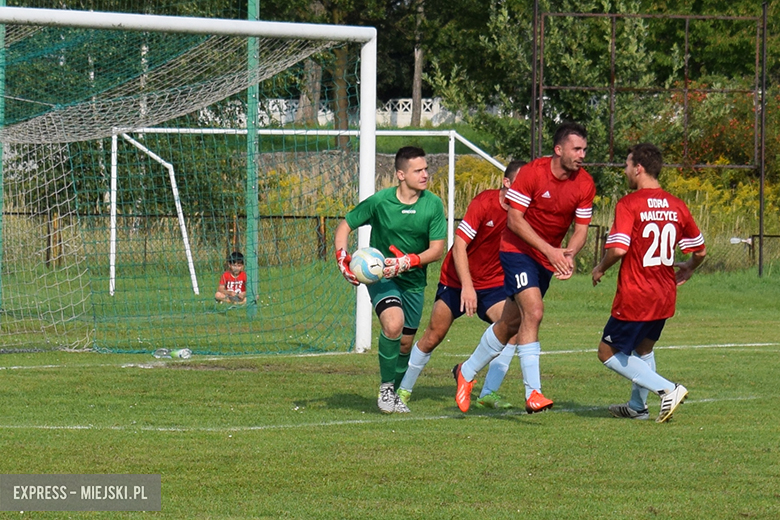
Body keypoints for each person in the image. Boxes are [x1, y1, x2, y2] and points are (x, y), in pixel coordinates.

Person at [453, 122, 596, 414]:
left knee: (510, 324)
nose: (582, 155)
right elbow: (514, 220)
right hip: (516, 250)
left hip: (545, 259)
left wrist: (569, 254)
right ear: (558, 150)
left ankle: (466, 372)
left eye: (584, 149)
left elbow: (581, 229)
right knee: (535, 311)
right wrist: (550, 250)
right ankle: (533, 393)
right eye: (576, 149)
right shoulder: (533, 173)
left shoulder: (585, 184)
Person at [396, 160, 526, 411]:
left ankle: (487, 392)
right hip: (456, 279)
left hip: (493, 283)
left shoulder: (525, 211)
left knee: (512, 327)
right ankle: (403, 391)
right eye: (523, 182)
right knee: (433, 336)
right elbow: (460, 244)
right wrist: (467, 286)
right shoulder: (484, 203)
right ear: (507, 183)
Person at [592, 143, 706, 423]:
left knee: (606, 352)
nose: (625, 170)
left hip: (636, 293)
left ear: (638, 168)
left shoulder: (629, 204)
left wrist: (600, 268)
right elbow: (700, 251)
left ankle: (668, 389)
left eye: (627, 165)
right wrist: (689, 268)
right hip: (664, 293)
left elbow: (618, 249)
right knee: (643, 349)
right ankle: (637, 407)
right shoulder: (677, 205)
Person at [334, 146, 447, 414]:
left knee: (405, 343)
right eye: (418, 170)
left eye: (426, 169)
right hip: (382, 278)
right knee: (393, 324)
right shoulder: (380, 201)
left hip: (414, 281)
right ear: (401, 174)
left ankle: (394, 392)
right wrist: (341, 257)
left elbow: (437, 250)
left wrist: (408, 261)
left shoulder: (433, 204)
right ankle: (386, 388)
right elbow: (345, 225)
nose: (425, 174)